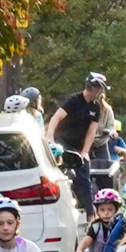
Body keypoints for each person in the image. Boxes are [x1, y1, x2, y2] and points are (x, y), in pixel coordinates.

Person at [46, 73, 110, 211]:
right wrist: (50, 136)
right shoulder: (74, 100)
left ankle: (91, 214)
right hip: (62, 141)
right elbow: (56, 118)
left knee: (84, 177)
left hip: (79, 146)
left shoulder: (95, 107)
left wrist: (85, 151)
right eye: (98, 88)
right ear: (92, 87)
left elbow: (91, 132)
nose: (99, 92)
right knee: (64, 168)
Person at [76, 187, 124, 252]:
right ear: (97, 211)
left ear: (116, 210)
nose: (106, 213)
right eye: (102, 210)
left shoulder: (120, 225)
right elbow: (87, 240)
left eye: (110, 210)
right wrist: (80, 249)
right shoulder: (95, 226)